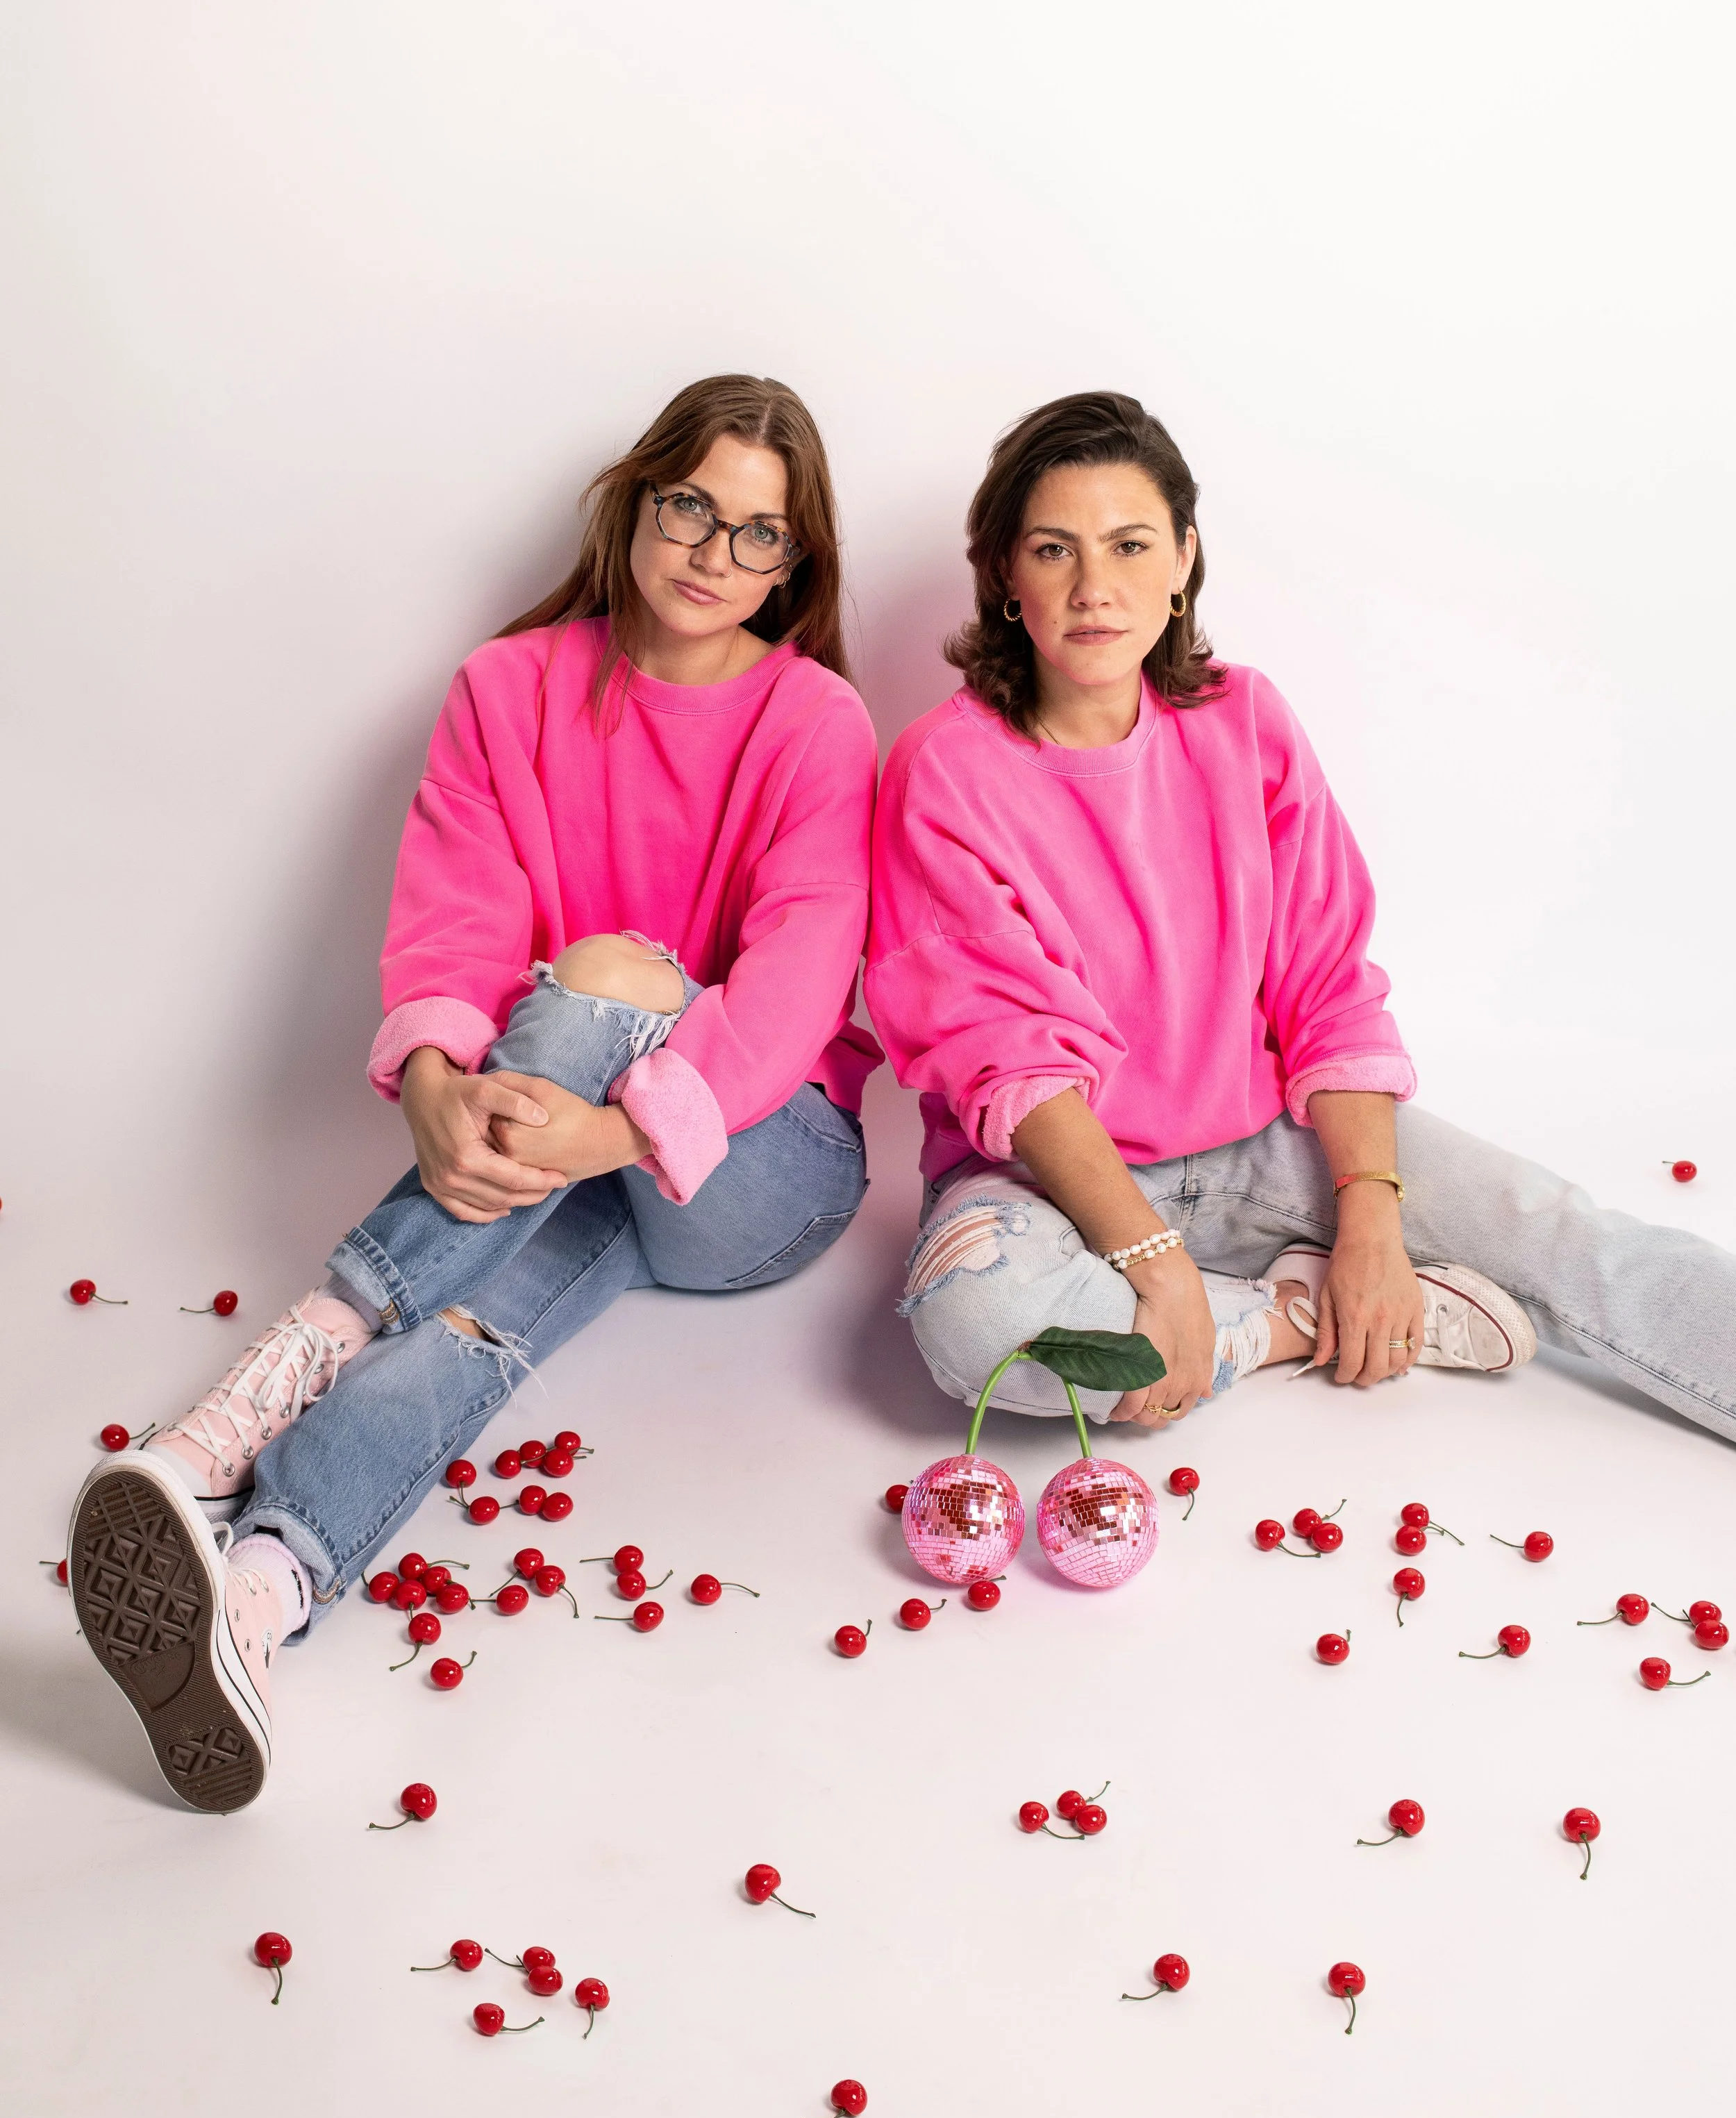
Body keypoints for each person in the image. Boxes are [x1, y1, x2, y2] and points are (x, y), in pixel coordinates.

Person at [68, 374, 880, 1811]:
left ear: (793, 566)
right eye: (689, 504)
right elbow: (454, 917)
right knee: (477, 1321)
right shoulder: (506, 690)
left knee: (612, 974)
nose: (712, 551)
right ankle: (263, 1585)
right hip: (549, 1159)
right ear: (634, 500)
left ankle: (237, 1415)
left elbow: (797, 989)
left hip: (763, 1172)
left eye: (758, 534)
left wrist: (621, 1125)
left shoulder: (814, 721)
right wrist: (436, 1086)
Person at [867, 390, 1735, 1453]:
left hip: (1266, 1138)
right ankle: (1284, 1318)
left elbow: (1327, 982)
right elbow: (1009, 1059)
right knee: (986, 1329)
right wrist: (1152, 1261)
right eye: (1054, 549)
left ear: (1183, 557)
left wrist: (1371, 1217)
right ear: (1005, 572)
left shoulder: (1247, 720)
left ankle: (1338, 1285)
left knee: (1559, 1231)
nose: (1095, 588)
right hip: (1043, 1181)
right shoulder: (944, 771)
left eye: (1130, 544)